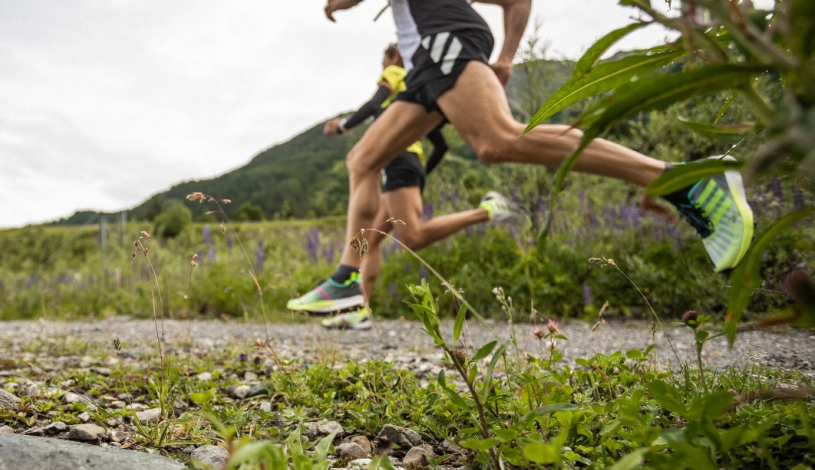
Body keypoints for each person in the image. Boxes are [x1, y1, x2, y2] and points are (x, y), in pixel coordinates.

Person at [297, 0, 754, 320]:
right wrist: (508, 58)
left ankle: (683, 180)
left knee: (498, 139)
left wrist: (336, 3)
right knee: (363, 159)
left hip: (443, 42)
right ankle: (345, 279)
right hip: (427, 62)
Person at [288, 44, 521, 330]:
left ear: (394, 56)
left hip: (398, 164)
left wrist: (344, 126)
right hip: (405, 166)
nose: (382, 67)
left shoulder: (395, 72)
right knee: (371, 241)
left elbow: (375, 102)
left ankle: (487, 210)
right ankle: (359, 308)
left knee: (413, 236)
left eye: (383, 59)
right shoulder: (412, 99)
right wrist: (420, 176)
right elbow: (441, 144)